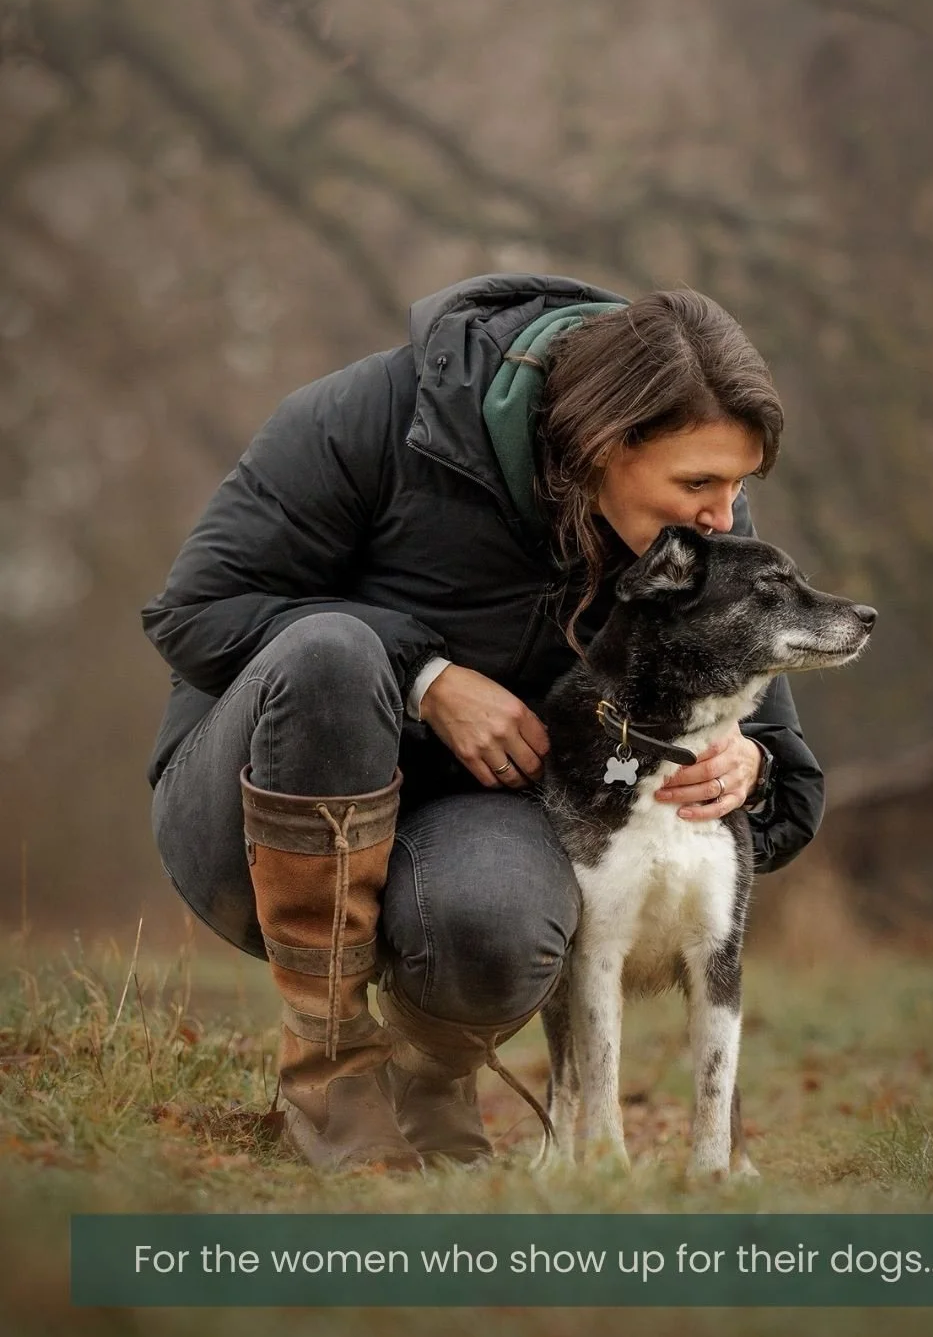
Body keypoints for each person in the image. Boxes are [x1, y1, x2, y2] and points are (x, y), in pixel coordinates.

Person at [142, 273, 825, 1173]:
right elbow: (195, 614)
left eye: (736, 484)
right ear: (602, 444)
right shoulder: (368, 415)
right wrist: (425, 676)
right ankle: (329, 1075)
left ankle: (428, 1076)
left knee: (505, 922)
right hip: (252, 808)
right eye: (700, 482)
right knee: (333, 651)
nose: (723, 514)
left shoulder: (695, 514)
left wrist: (746, 765)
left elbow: (781, 767)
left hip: (480, 818)